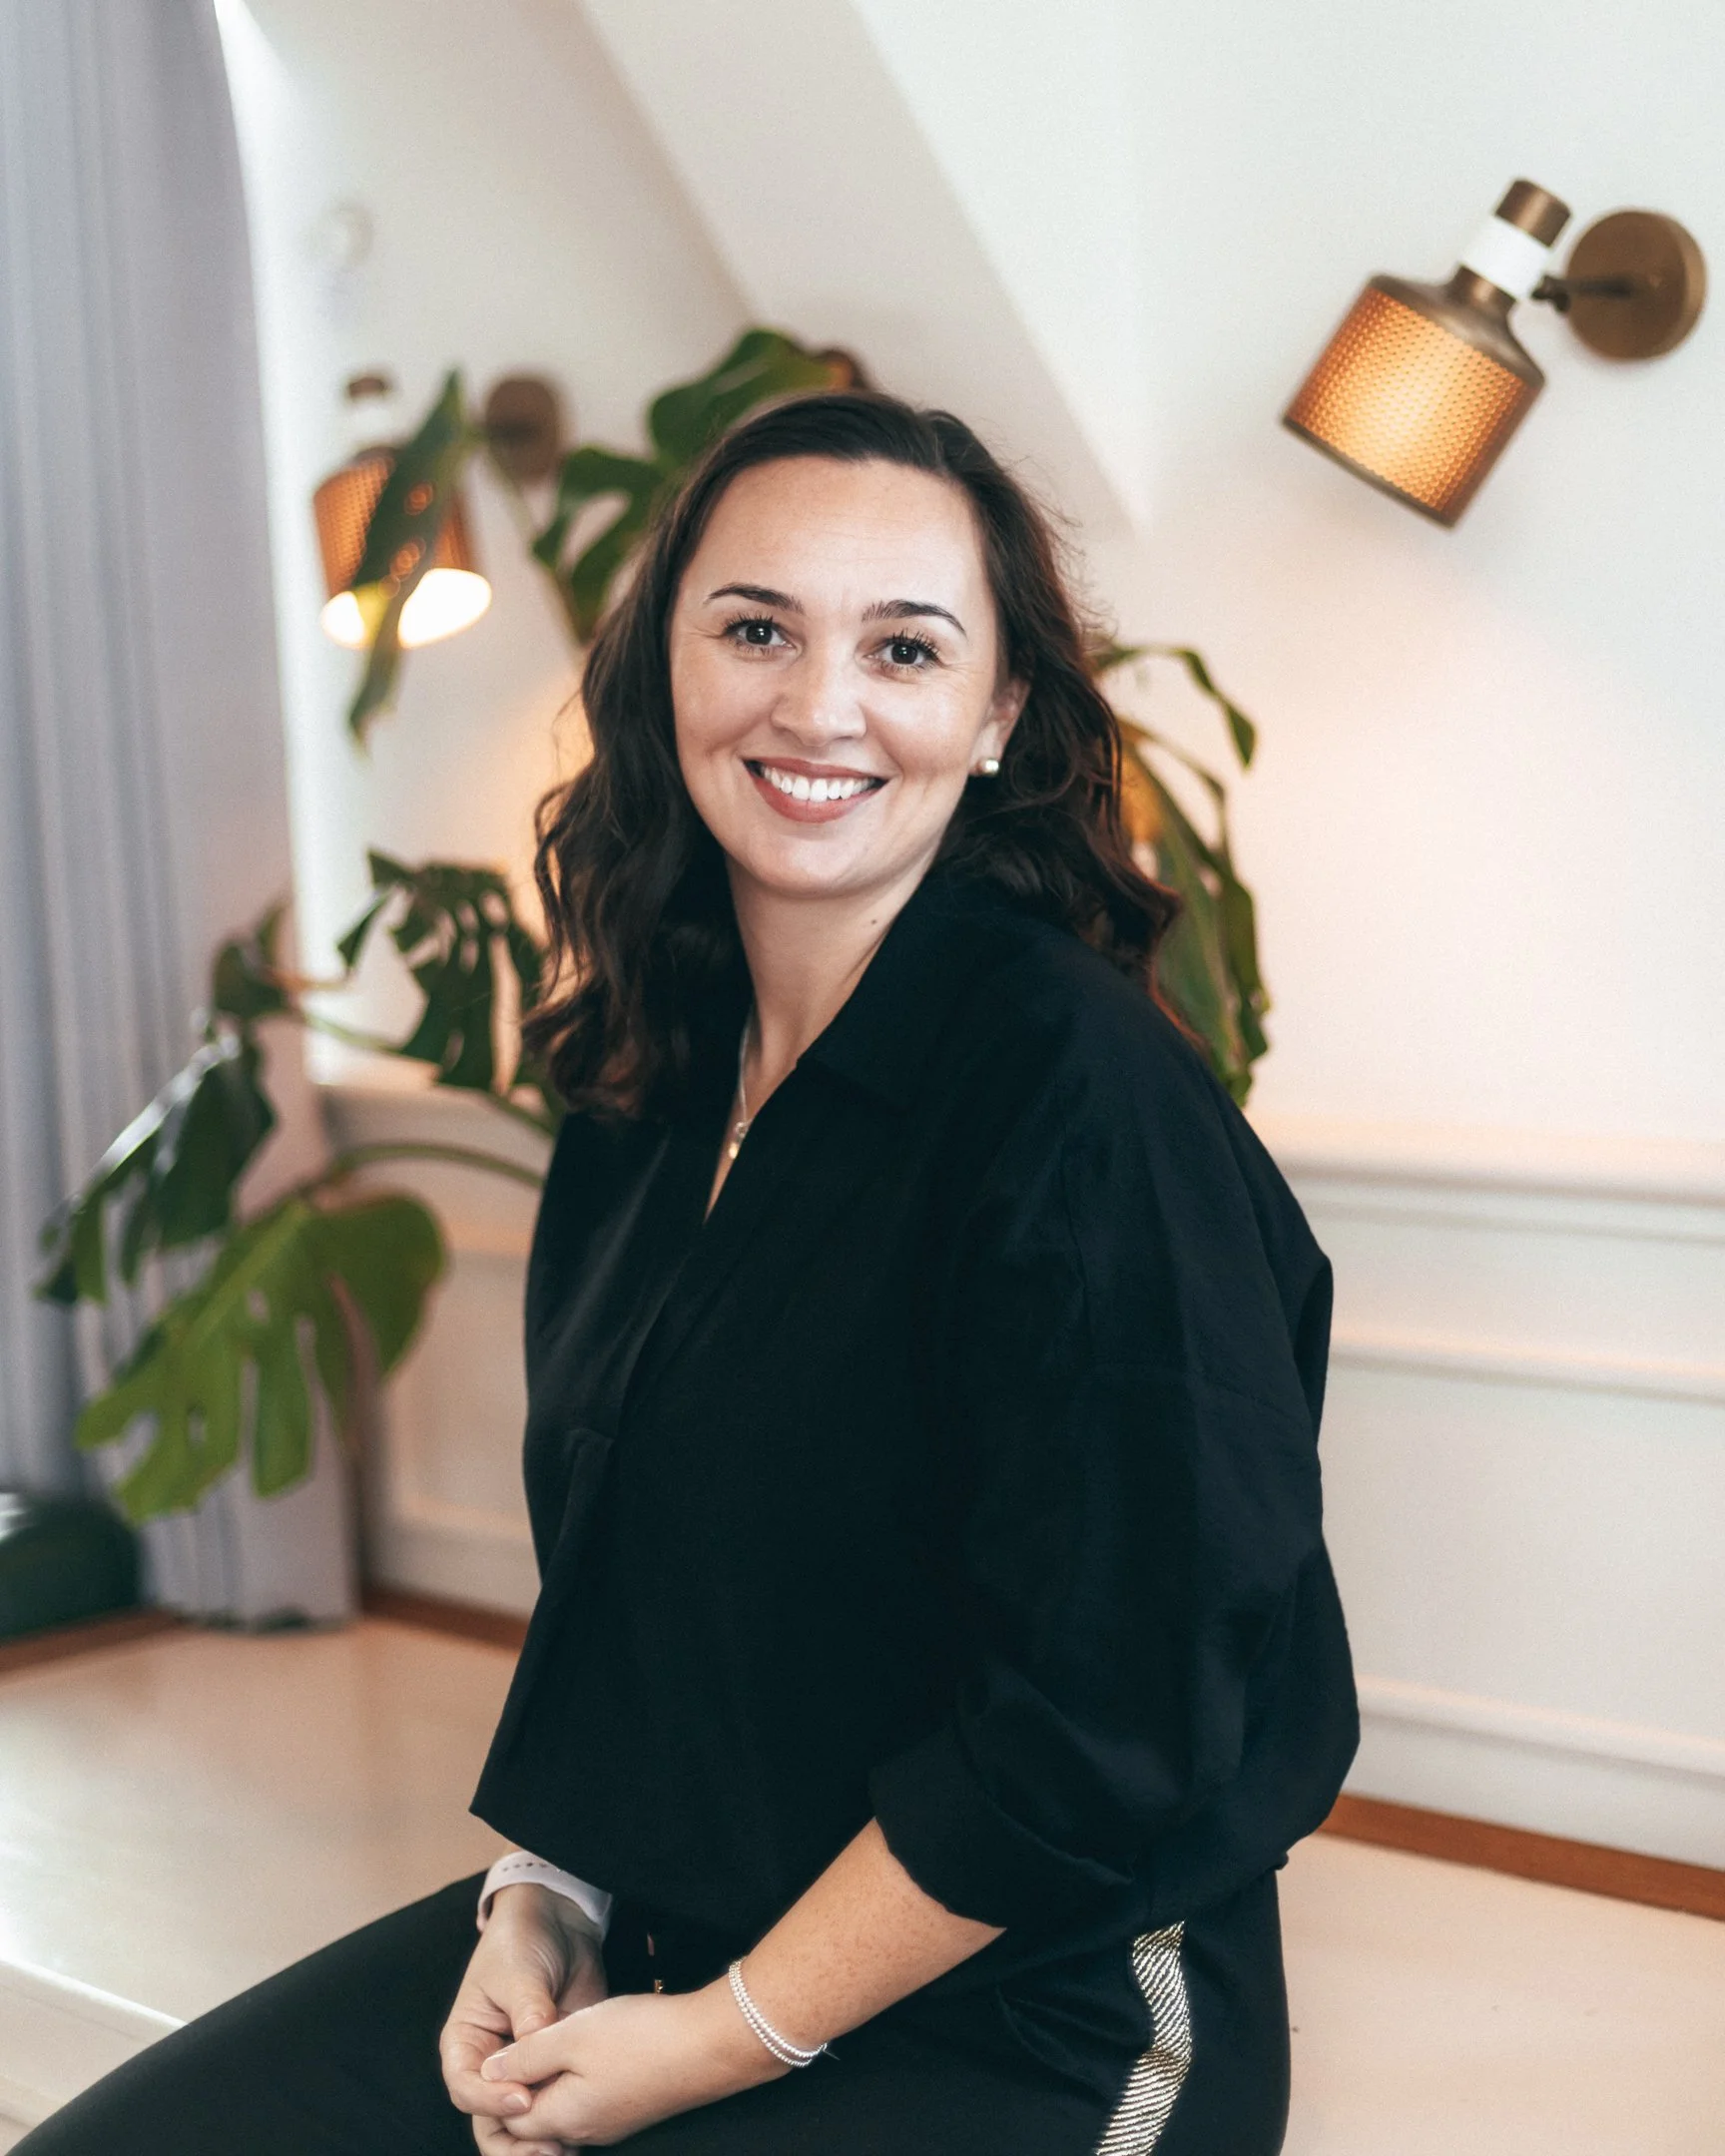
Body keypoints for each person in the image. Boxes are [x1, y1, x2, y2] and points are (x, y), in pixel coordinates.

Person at [20, 390, 1357, 2156]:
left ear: (998, 714)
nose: (819, 706)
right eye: (755, 630)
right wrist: (548, 1894)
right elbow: (642, 1579)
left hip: (1049, 2009)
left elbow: (1102, 1728)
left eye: (903, 647)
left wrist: (725, 2038)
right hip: (677, 1923)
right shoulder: (653, 1071)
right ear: (666, 666)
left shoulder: (1083, 1100)